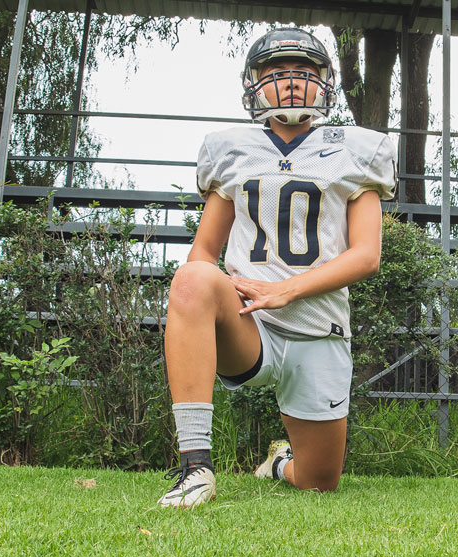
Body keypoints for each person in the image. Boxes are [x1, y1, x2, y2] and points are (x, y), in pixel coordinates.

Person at [157, 27, 396, 508]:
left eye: (305, 72)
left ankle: (278, 461)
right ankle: (195, 467)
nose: (291, 82)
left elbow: (366, 254)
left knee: (318, 481)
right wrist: (213, 300)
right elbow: (204, 252)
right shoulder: (231, 149)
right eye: (277, 72)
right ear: (255, 83)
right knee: (190, 278)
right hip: (250, 325)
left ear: (324, 83)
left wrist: (287, 289)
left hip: (317, 327)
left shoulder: (357, 149)